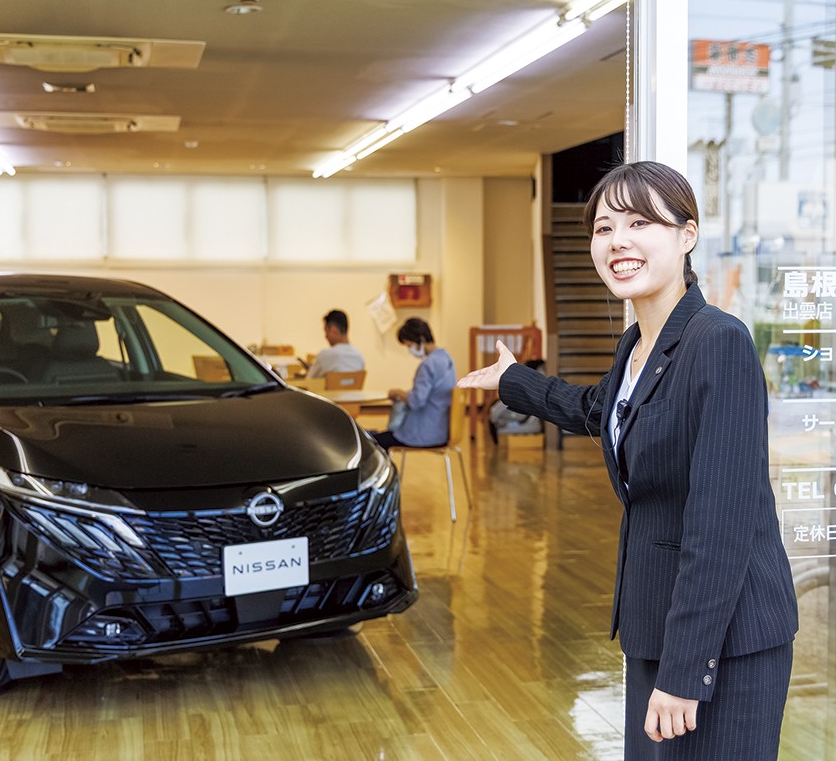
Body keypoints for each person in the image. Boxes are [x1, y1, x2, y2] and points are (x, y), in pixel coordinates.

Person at [457, 161, 798, 760]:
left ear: (686, 234)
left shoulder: (718, 342)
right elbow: (605, 411)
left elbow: (721, 524)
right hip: (657, 622)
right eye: (603, 227)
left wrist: (686, 671)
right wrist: (516, 380)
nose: (617, 241)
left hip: (723, 641)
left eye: (640, 222)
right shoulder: (637, 342)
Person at [370, 317, 455, 450]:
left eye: (409, 346)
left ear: (420, 339)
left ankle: (385, 470)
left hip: (423, 433)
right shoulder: (447, 359)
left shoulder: (428, 365)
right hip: (441, 431)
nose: (409, 350)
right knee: (381, 436)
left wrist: (398, 393)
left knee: (373, 442)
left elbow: (417, 402)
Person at [306, 309, 365, 378]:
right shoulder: (359, 357)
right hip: (352, 389)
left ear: (334, 330)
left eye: (326, 332)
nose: (325, 336)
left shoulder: (325, 356)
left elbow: (309, 381)